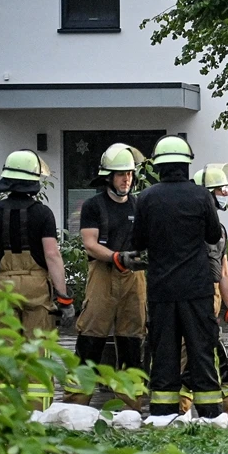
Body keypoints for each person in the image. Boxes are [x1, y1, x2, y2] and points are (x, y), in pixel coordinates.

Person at [0, 150, 73, 410]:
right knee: (38, 351)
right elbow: (52, 256)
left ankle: (2, 412)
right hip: (37, 288)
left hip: (4, 288)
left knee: (4, 351)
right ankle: (38, 413)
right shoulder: (43, 214)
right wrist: (64, 297)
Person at [132, 135, 224, 421]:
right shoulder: (201, 196)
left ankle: (162, 416)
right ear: (186, 165)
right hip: (197, 289)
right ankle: (210, 415)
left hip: (161, 291)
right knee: (201, 353)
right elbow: (213, 236)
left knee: (164, 356)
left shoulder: (146, 198)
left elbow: (138, 241)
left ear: (159, 167)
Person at [62, 144, 148, 410]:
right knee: (91, 338)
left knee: (132, 341)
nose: (126, 179)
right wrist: (116, 257)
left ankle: (130, 408)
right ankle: (76, 405)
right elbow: (90, 243)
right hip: (102, 274)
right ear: (108, 177)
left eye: (130, 174)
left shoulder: (139, 205)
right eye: (121, 174)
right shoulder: (94, 206)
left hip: (134, 277)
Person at [178, 162, 228, 418]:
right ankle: (180, 412)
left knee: (215, 355)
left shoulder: (219, 231)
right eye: (219, 189)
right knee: (190, 358)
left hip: (212, 299)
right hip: (192, 298)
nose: (225, 194)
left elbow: (223, 272)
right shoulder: (190, 228)